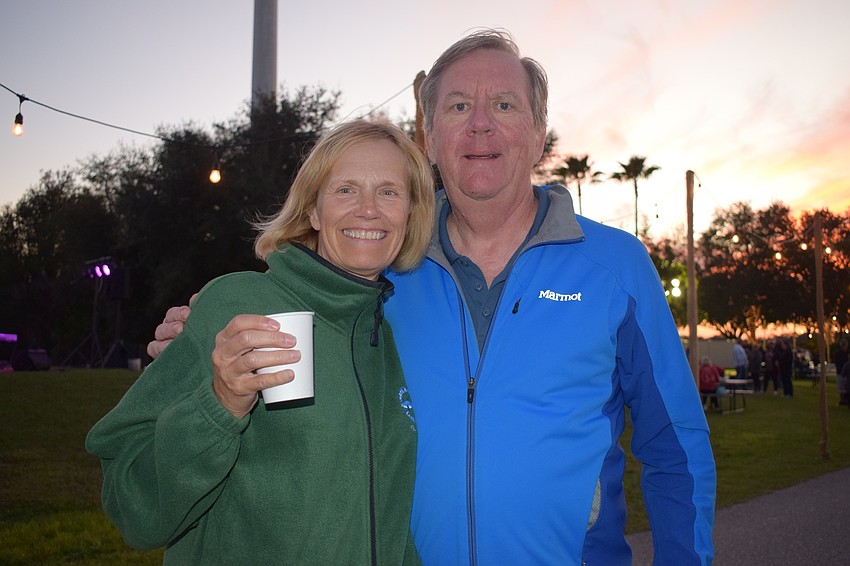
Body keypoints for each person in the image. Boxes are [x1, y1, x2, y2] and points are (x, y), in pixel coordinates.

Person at [149, 30, 715, 565]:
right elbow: (300, 295)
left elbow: (676, 447)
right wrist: (207, 333)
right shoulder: (386, 264)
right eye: (459, 106)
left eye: (505, 105)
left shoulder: (615, 266)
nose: (480, 126)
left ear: (539, 132)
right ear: (429, 136)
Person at [86, 119, 435, 564]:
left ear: (410, 212)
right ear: (312, 210)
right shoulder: (237, 303)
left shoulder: (385, 338)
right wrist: (219, 406)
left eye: (389, 192)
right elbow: (130, 505)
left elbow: (384, 520)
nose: (368, 209)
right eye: (345, 189)